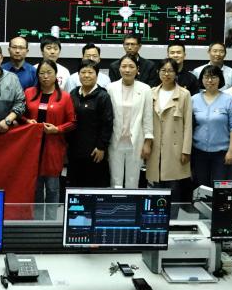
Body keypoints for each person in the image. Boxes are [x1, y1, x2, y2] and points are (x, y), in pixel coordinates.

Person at [23, 60, 75, 209]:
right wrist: (27, 121)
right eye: (42, 73)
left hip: (53, 147)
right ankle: (37, 220)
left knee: (52, 188)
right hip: (32, 147)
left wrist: (57, 129)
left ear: (56, 75)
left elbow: (72, 122)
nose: (45, 76)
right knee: (36, 187)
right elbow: (20, 115)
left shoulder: (64, 97)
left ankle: (52, 221)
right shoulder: (29, 93)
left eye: (49, 72)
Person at [146, 59, 193, 202]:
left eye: (171, 71)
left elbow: (188, 124)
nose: (167, 74)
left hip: (175, 149)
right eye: (163, 70)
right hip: (155, 147)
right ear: (158, 72)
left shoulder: (184, 94)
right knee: (155, 189)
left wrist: (186, 150)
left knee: (174, 189)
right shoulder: (151, 93)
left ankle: (172, 216)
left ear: (176, 73)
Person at [106, 55, 154, 188]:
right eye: (124, 66)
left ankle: (131, 202)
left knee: (133, 181)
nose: (127, 70)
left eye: (131, 66)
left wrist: (148, 143)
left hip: (136, 141)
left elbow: (148, 117)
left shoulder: (145, 89)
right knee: (115, 180)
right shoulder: (110, 88)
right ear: (119, 69)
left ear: (137, 69)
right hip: (115, 140)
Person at [190, 65, 232, 187]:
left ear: (220, 79)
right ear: (201, 79)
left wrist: (231, 151)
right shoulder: (193, 99)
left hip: (221, 153)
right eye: (206, 77)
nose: (210, 80)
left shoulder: (228, 100)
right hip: (199, 152)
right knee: (201, 187)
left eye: (213, 77)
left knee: (219, 187)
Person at [66, 60, 113, 188]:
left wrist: (101, 147)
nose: (86, 75)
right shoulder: (73, 94)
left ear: (97, 75)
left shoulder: (103, 96)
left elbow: (107, 123)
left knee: (93, 186)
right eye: (83, 72)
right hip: (75, 149)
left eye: (90, 72)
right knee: (75, 185)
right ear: (78, 74)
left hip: (95, 151)